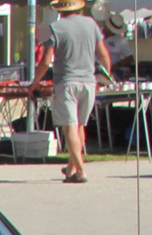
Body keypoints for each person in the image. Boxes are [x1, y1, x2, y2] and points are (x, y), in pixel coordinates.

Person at [38, 0, 109, 184]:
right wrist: (106, 77)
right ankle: (71, 168)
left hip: (66, 82)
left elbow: (45, 61)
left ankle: (81, 170)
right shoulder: (91, 24)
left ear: (59, 10)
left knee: (70, 126)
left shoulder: (52, 28)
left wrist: (34, 82)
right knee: (79, 127)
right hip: (89, 82)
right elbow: (103, 54)